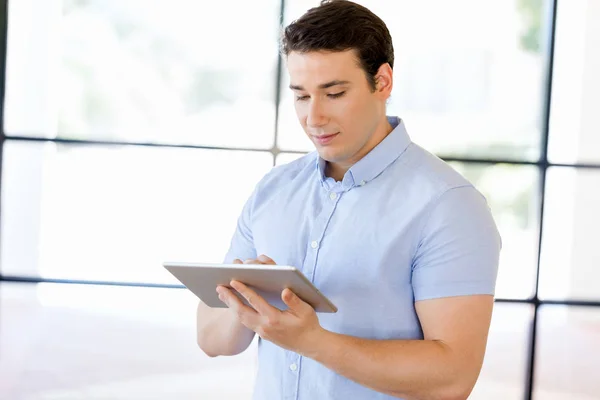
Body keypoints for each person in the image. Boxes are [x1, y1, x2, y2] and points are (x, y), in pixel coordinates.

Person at [196, 1, 501, 399]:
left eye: (334, 93)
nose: (314, 117)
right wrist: (246, 301)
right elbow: (212, 339)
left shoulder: (450, 206)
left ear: (383, 82)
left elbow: (452, 377)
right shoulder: (273, 191)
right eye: (301, 96)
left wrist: (312, 341)